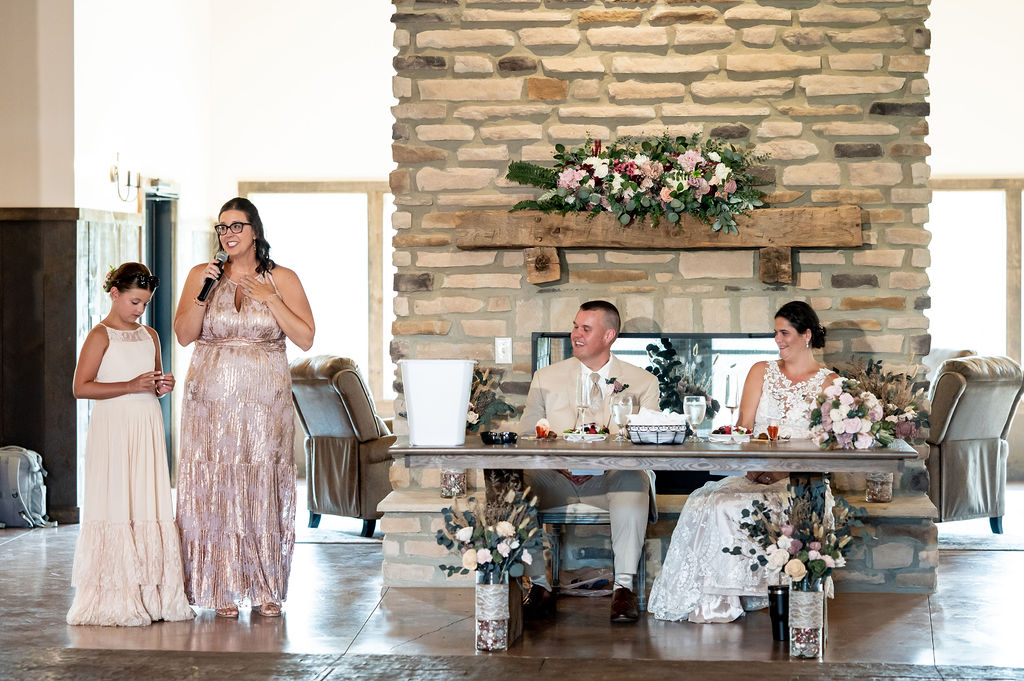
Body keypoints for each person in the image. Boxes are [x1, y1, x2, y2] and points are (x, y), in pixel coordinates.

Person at [647, 301, 836, 624]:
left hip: (800, 480)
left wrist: (782, 469)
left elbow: (828, 446)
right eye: (775, 333)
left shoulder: (830, 383)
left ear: (806, 335)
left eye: (785, 333)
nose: (778, 340)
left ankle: (736, 593)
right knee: (705, 500)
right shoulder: (761, 371)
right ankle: (716, 597)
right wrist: (752, 463)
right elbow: (744, 428)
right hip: (755, 471)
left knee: (727, 507)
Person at [174, 197, 314, 618]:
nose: (228, 234)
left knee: (260, 485)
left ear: (255, 230)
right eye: (222, 227)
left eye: (236, 226)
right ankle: (220, 586)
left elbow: (305, 338)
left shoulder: (282, 277)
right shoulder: (203, 275)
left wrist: (272, 299)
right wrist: (203, 295)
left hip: (263, 404)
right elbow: (183, 335)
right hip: (210, 405)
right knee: (216, 488)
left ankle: (266, 585)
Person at [67, 263, 194, 626]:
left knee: (146, 502)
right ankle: (117, 594)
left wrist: (161, 386)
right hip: (114, 429)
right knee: (118, 502)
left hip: (147, 426)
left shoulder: (150, 335)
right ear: (115, 293)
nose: (139, 310)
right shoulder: (100, 335)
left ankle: (154, 596)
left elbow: (150, 383)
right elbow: (81, 388)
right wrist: (129, 385)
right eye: (135, 301)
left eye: (145, 304)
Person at [518, 300, 660, 623]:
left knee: (634, 476)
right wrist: (556, 463)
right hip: (557, 478)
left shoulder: (643, 383)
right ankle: (539, 587)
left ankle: (623, 589)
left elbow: (648, 443)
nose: (575, 334)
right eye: (574, 327)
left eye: (585, 329)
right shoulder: (545, 377)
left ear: (609, 335)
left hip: (611, 477)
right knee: (516, 482)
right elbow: (525, 436)